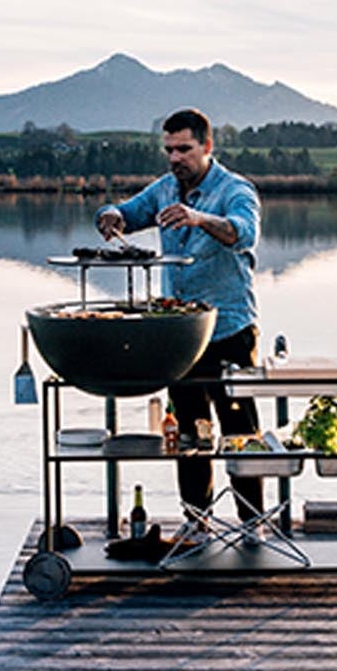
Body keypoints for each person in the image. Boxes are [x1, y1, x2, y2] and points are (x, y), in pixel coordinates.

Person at [97, 108, 264, 528]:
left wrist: (199, 219)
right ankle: (197, 523)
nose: (175, 158)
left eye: (184, 149)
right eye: (169, 150)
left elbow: (243, 233)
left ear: (208, 147)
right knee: (189, 435)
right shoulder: (162, 189)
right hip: (180, 336)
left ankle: (252, 524)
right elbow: (128, 211)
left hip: (229, 331)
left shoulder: (235, 189)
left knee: (240, 435)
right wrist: (111, 215)